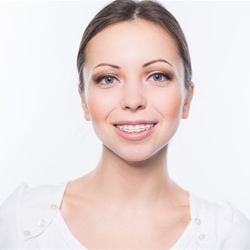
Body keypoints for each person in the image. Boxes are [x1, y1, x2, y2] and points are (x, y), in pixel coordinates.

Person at [0, 0, 250, 249]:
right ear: (84, 102)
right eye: (108, 78)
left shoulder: (226, 235)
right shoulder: (22, 221)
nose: (133, 100)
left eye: (157, 76)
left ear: (187, 98)